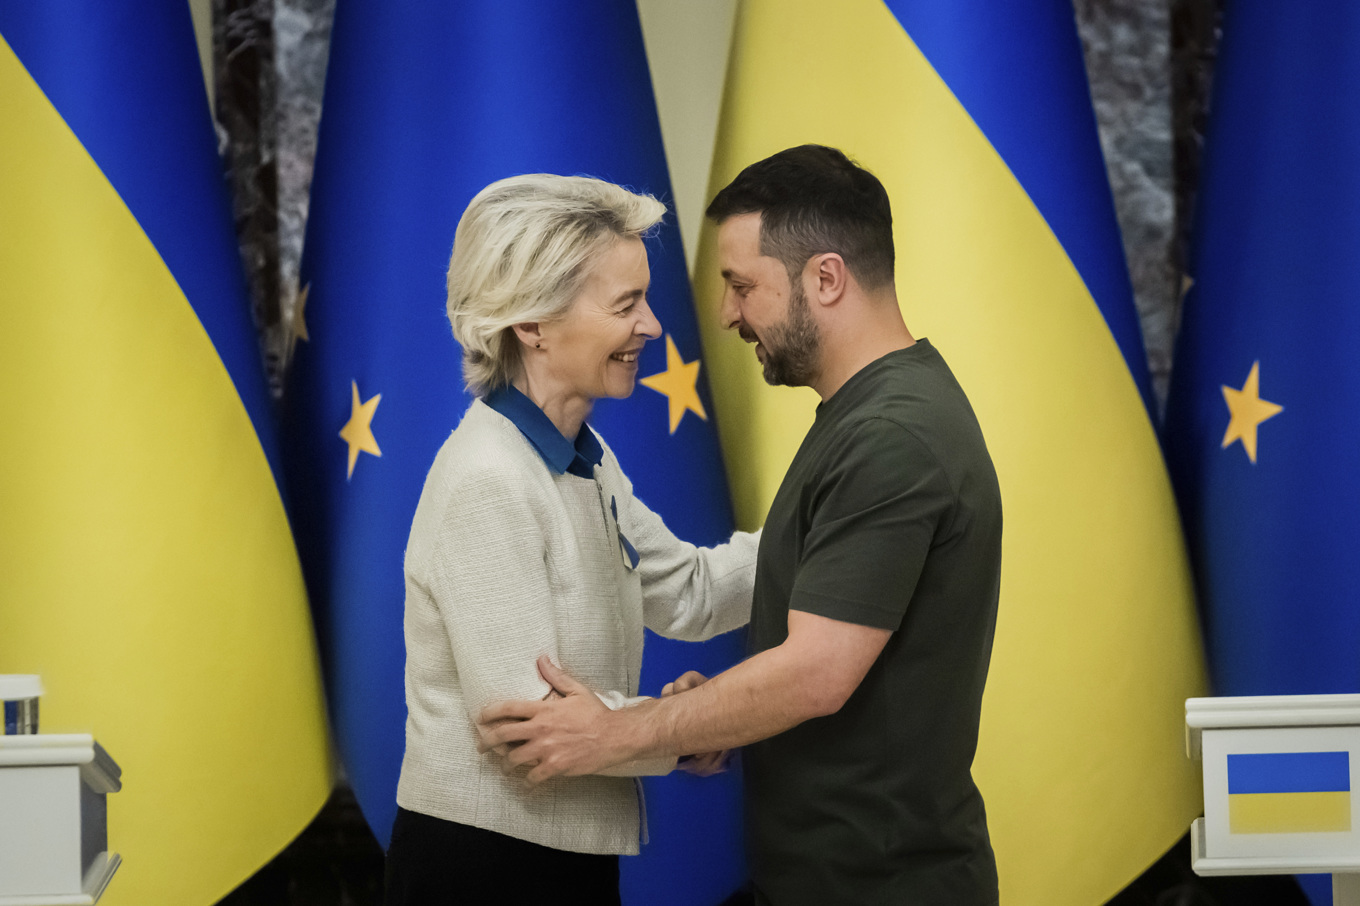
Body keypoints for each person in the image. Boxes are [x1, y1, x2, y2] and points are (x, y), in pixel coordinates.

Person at [478, 145, 1003, 905]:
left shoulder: (893, 437)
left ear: (825, 278)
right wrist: (715, 711)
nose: (724, 313)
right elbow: (836, 640)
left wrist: (617, 733)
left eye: (740, 285)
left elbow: (817, 673)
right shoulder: (867, 415)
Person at [384, 173, 759, 906]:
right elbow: (534, 732)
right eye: (627, 304)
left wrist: (829, 526)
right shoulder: (488, 478)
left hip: (556, 856)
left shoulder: (583, 459)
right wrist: (677, 728)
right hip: (484, 870)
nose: (652, 325)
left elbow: (690, 592)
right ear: (532, 322)